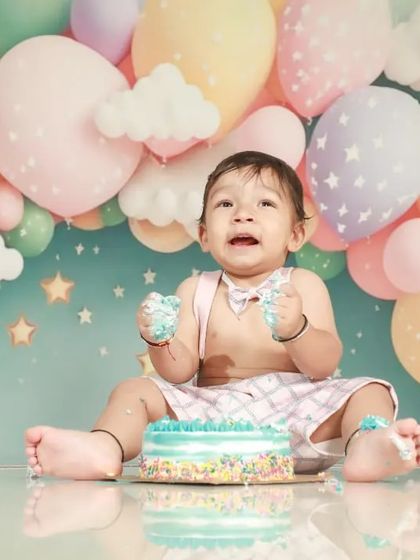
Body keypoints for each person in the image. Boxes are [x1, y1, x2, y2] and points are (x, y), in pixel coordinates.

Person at [25, 151, 420, 481]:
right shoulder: (194, 290)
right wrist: (160, 339)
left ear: (295, 235)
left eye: (265, 204)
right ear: (203, 235)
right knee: (135, 390)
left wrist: (297, 329)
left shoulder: (303, 284)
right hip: (213, 419)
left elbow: (324, 365)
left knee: (371, 390)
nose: (242, 216)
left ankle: (367, 446)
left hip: (294, 419)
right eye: (225, 204)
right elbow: (178, 373)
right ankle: (103, 447)